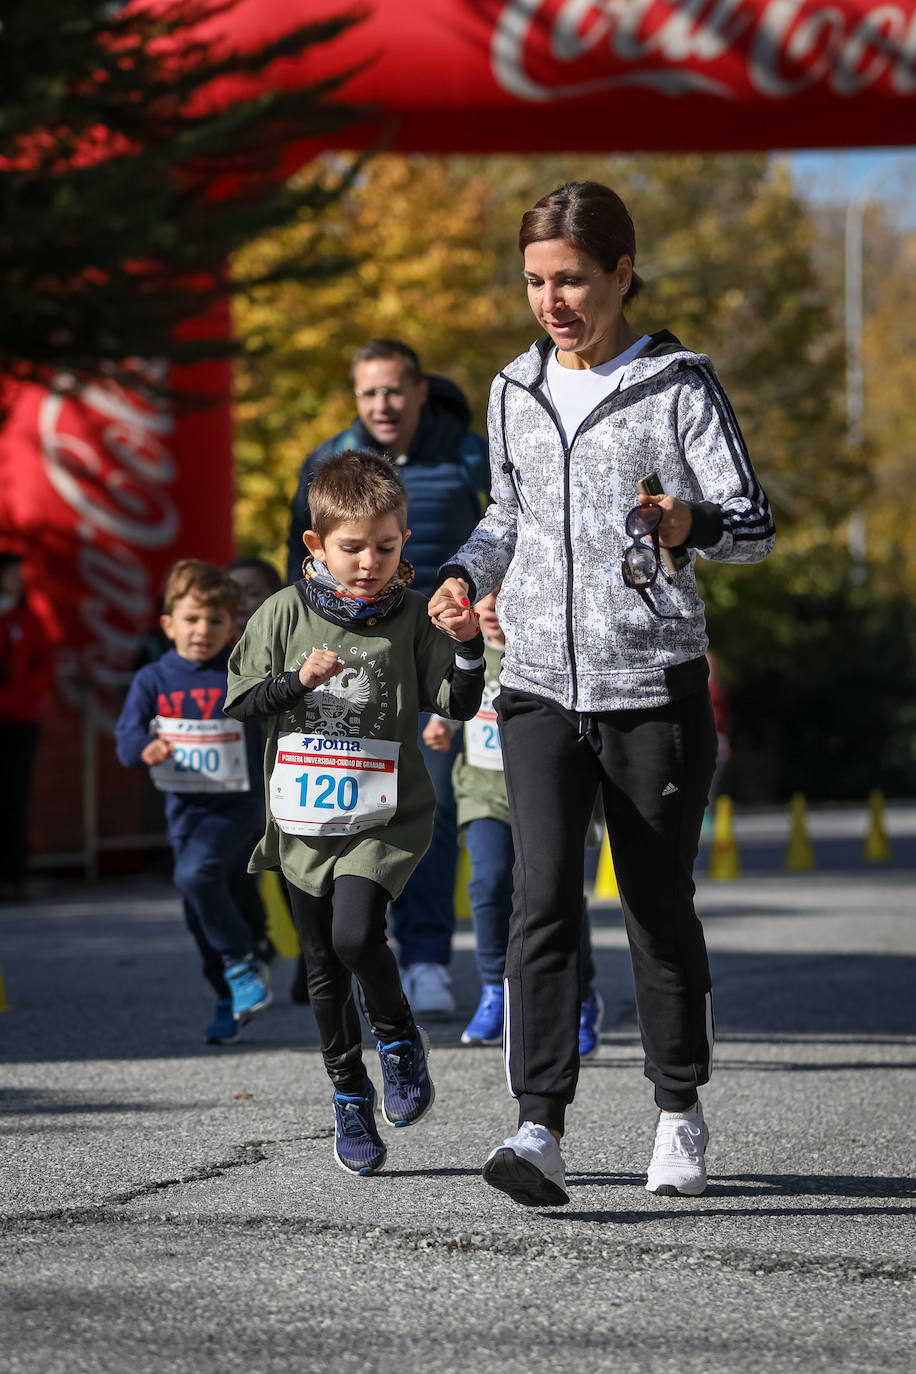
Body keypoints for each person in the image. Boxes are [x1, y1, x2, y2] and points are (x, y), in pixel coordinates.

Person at [430, 180, 775, 1208]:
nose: (553, 300)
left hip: (650, 687)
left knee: (657, 907)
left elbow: (751, 523)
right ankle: (537, 1128)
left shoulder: (678, 385)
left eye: (572, 279)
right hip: (534, 684)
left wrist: (686, 525)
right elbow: (508, 516)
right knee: (541, 901)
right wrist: (465, 575)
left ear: (620, 274)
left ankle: (677, 1112)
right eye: (536, 280)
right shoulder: (511, 388)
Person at [226, 450, 484, 1177]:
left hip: (382, 816)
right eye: (351, 547)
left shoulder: (413, 615)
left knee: (354, 934)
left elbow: (457, 702)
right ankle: (348, 1093)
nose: (369, 562)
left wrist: (467, 649)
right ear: (316, 545)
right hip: (303, 821)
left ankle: (398, 1037)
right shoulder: (282, 613)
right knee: (319, 967)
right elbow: (241, 701)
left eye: (386, 546)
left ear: (405, 541)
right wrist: (293, 679)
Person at [286, 339, 488, 1018]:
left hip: (437, 654)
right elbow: (302, 563)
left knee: (427, 809)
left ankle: (427, 959)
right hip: (351, 663)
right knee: (347, 807)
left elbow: (516, 534)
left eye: (394, 390)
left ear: (420, 391)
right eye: (369, 392)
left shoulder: (466, 454)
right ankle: (341, 951)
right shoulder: (327, 461)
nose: (382, 405)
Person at [423, 589, 604, 1054]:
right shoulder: (463, 653)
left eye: (505, 606)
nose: (495, 617)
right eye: (484, 609)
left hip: (551, 793)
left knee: (553, 893)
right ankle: (494, 991)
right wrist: (442, 723)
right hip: (484, 792)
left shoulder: (552, 654)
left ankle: (580, 996)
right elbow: (452, 699)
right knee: (487, 882)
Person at [115, 559, 271, 1043]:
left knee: (195, 876)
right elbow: (125, 740)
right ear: (168, 625)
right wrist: (147, 746)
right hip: (186, 813)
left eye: (215, 621)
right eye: (191, 619)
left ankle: (244, 964)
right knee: (198, 904)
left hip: (241, 807)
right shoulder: (152, 680)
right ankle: (230, 994)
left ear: (231, 627)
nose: (202, 630)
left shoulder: (238, 673)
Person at [0, 550, 54, 902]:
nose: (20, 579)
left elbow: (43, 668)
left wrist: (24, 698)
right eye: (13, 573)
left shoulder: (29, 619)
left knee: (13, 799)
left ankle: (13, 877)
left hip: (20, 723)